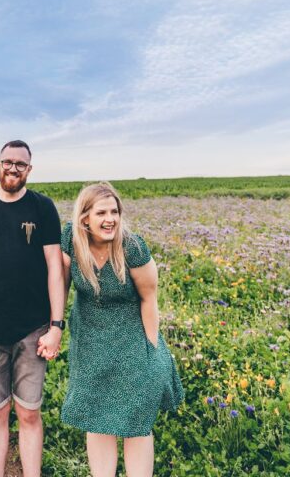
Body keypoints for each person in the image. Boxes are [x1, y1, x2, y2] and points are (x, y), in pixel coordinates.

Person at [58, 182, 183, 477]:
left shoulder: (132, 247)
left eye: (114, 211)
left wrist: (151, 350)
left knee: (136, 422)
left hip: (132, 342)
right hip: (89, 341)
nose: (110, 218)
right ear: (84, 217)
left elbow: (149, 299)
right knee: (95, 417)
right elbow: (58, 289)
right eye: (101, 212)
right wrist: (54, 328)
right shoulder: (71, 241)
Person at [0, 140, 66, 477]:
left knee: (29, 412)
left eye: (21, 164)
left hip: (34, 330)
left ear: (29, 170)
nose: (13, 168)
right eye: (8, 162)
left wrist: (56, 325)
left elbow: (54, 269)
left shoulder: (43, 208)